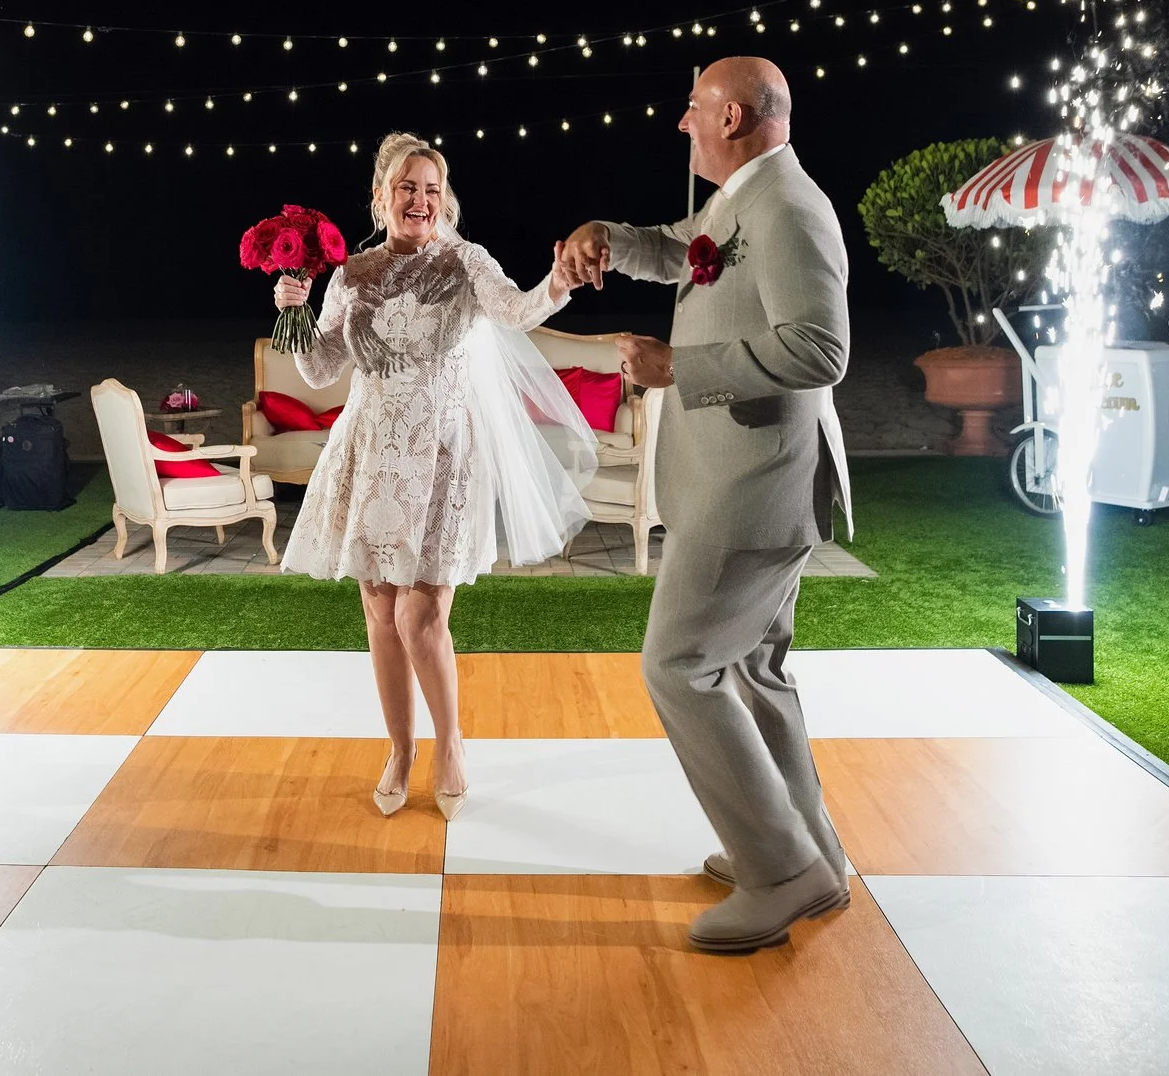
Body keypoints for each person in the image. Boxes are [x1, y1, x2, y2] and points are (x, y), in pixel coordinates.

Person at [558, 56, 854, 955]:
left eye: (691, 111)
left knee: (678, 664)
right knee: (756, 670)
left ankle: (780, 869)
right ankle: (813, 856)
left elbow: (821, 347)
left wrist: (678, 367)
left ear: (730, 116)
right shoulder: (744, 202)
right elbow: (687, 250)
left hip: (752, 489)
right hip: (753, 479)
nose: (681, 125)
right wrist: (607, 234)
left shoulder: (789, 209)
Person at [273, 132, 594, 819]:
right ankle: (400, 748)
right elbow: (321, 369)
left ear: (442, 199)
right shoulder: (351, 275)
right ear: (381, 196)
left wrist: (558, 283)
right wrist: (292, 310)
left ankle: (450, 744)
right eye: (406, 187)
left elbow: (516, 310)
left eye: (430, 188)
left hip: (443, 451)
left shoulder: (466, 261)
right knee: (380, 612)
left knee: (421, 615)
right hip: (372, 453)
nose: (419, 199)